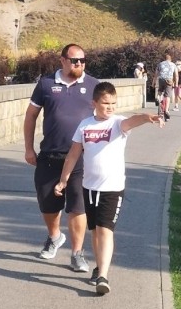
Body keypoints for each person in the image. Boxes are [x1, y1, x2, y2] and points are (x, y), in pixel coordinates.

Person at [54, 82, 165, 295]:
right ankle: (99, 267)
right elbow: (74, 154)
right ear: (94, 103)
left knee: (105, 230)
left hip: (112, 188)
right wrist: (63, 180)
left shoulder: (117, 123)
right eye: (106, 103)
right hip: (89, 187)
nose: (110, 107)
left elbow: (131, 121)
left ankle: (103, 276)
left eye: (114, 103)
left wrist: (146, 118)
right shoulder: (85, 125)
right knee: (94, 231)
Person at [24, 43, 99, 272]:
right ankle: (55, 236)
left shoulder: (93, 84)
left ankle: (77, 253)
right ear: (63, 60)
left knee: (77, 207)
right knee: (48, 204)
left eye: (83, 61)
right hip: (49, 155)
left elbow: (105, 118)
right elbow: (31, 116)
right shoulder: (46, 84)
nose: (79, 65)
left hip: (80, 158)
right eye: (75, 60)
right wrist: (29, 148)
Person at [154, 51, 177, 122]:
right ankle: (166, 110)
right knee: (167, 96)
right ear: (170, 59)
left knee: (160, 91)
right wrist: (176, 83)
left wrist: (153, 83)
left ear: (164, 59)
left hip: (161, 79)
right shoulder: (173, 65)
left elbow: (156, 74)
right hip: (169, 80)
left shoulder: (160, 64)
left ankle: (158, 98)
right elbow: (176, 75)